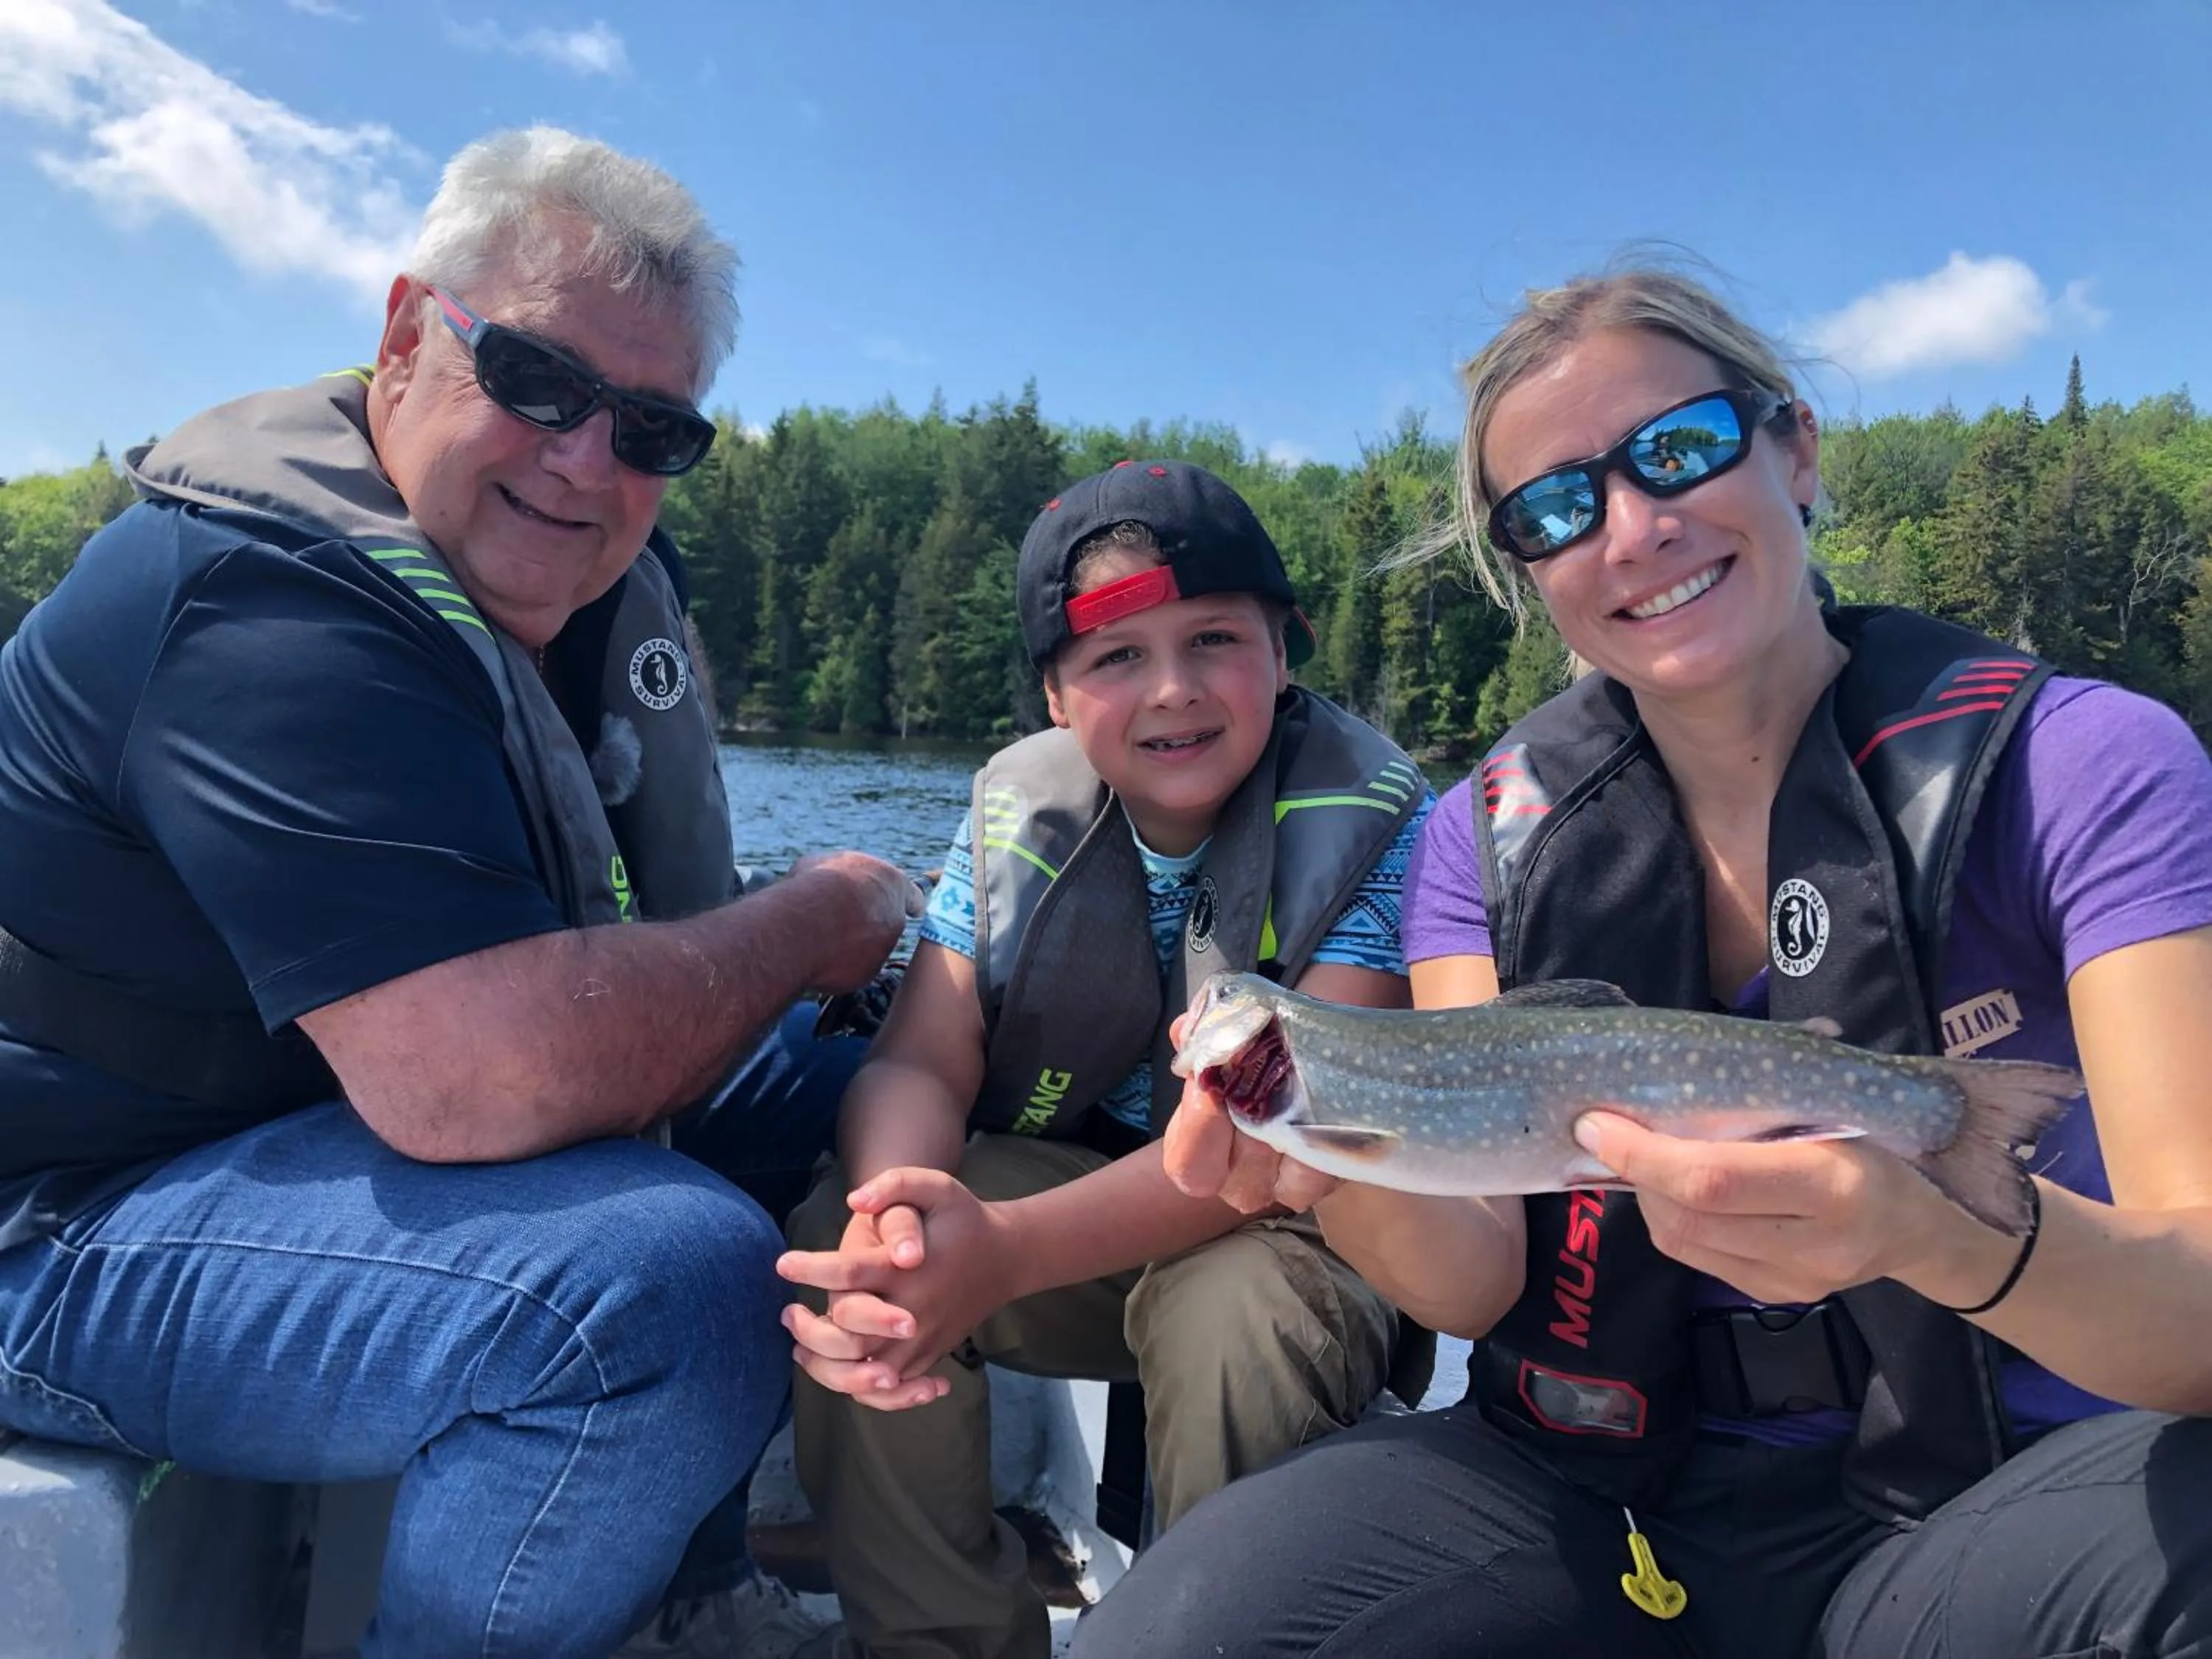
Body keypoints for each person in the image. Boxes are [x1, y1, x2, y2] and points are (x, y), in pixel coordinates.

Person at [1073, 268, 2212, 1658]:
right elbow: (1477, 1279)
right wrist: (1330, 1169)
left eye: (1678, 449)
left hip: (1992, 1497)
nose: (1633, 527)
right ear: (1528, 569)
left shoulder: (2088, 764)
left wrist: (1927, 1230)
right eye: (1554, 509)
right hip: (1595, 1489)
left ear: (1794, 446)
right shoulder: (1475, 841)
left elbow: (2199, 1314)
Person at [0, 127, 920, 1659]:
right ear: (406, 336)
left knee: (874, 1092)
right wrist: (824, 917)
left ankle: (686, 1602)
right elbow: (477, 1085)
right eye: (542, 384)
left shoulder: (569, 580)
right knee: (659, 1300)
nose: (587, 461)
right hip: (65, 1212)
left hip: (304, 1126)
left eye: (653, 433)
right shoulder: (262, 601)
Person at [774, 459, 1436, 1659]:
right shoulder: (1014, 818)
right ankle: (942, 1641)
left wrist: (1004, 1254)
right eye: (1117, 657)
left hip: (1291, 1230)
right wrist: (898, 1221)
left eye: (1214, 638)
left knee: (1235, 1315)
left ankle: (1214, 1638)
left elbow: (1262, 1144)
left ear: (1284, 652)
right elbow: (921, 1062)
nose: (1173, 688)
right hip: (1085, 1221)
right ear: (1054, 696)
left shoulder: (1381, 823)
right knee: (858, 1258)